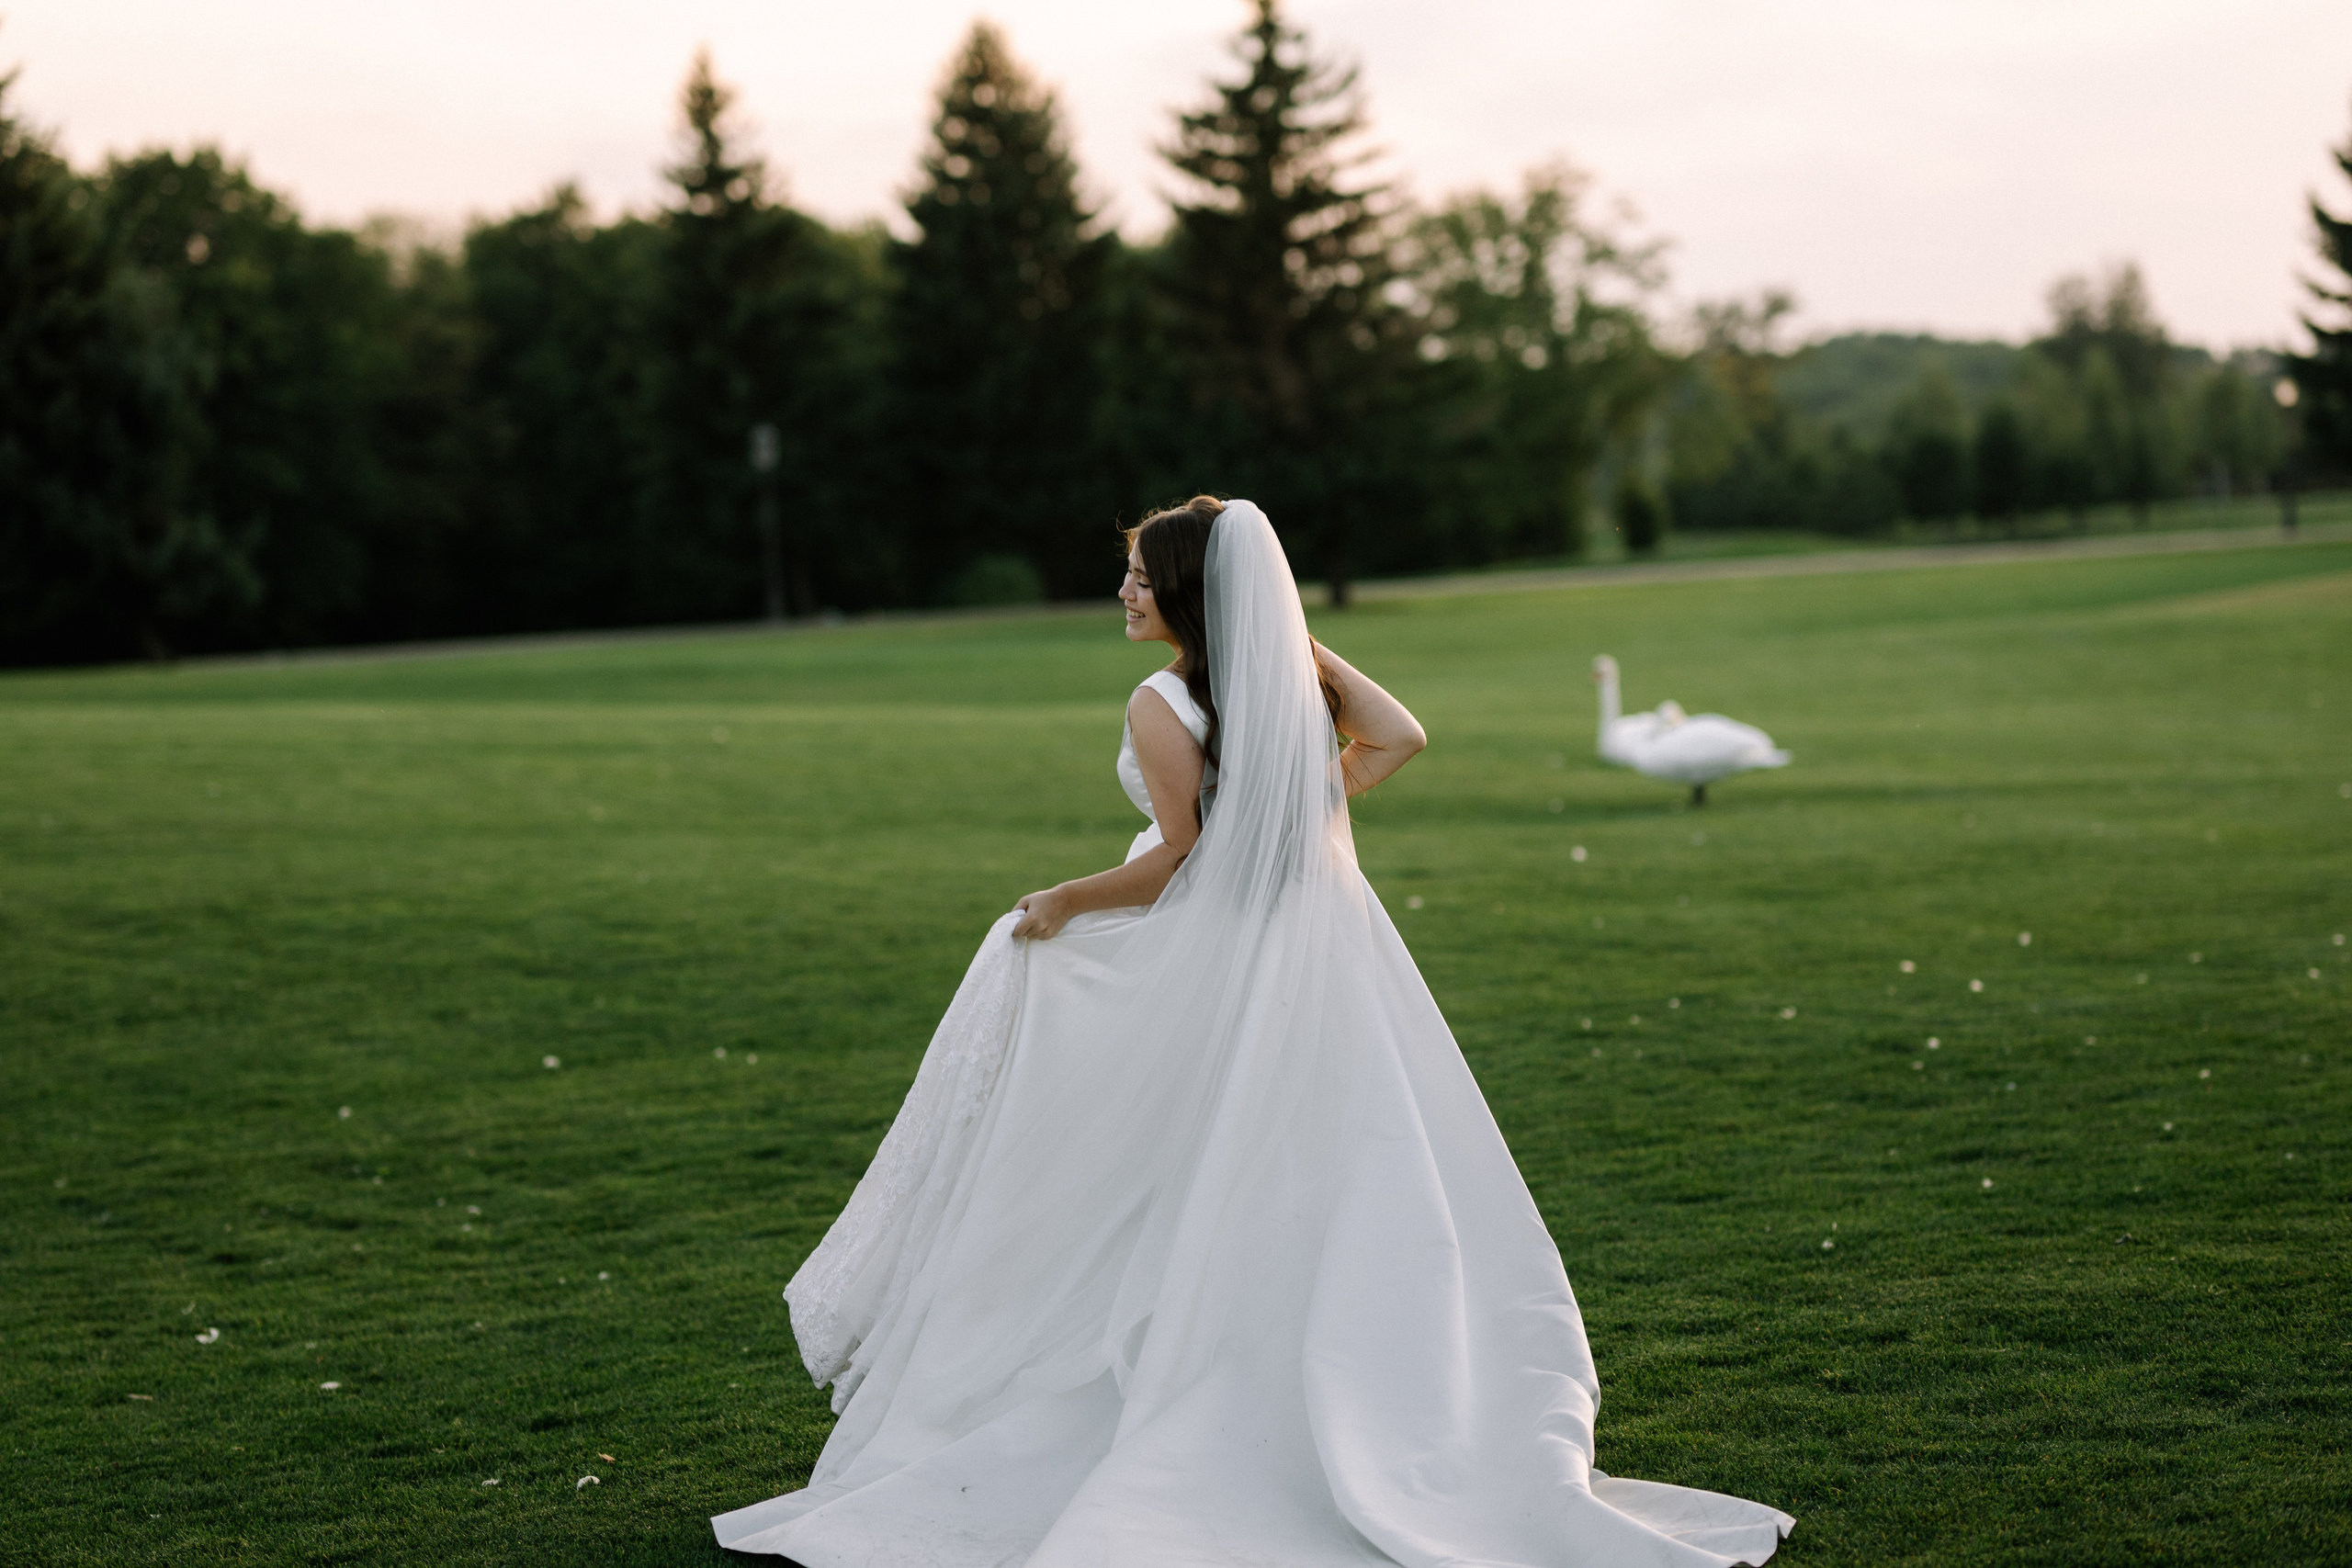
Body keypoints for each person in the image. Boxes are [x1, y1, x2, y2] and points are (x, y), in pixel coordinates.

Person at [714, 497, 1792, 1566]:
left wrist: (1061, 900)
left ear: (1191, 592)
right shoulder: (1270, 695)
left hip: (1219, 956)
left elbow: (1180, 858)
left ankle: (1199, 1366)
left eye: (1142, 576)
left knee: (1179, 1163)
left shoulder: (1160, 701)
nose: (1125, 590)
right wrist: (1291, 661)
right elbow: (1396, 739)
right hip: (1311, 957)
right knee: (1310, 1160)